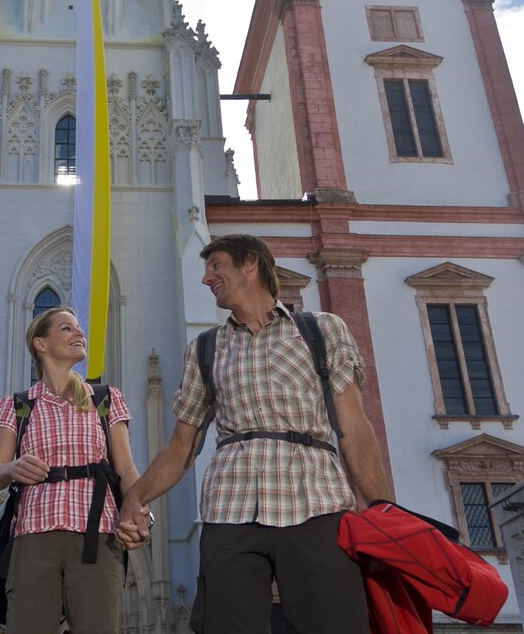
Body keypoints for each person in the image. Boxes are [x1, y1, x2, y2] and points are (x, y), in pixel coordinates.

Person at [115, 234, 394, 633]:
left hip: (317, 502)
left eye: (216, 265)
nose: (206, 278)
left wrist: (384, 510)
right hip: (231, 507)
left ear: (251, 264)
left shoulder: (321, 330)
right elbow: (181, 446)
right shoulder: (205, 348)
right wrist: (135, 497)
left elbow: (353, 428)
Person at [0, 306, 141, 634]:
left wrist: (140, 512)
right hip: (33, 536)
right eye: (67, 328)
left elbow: (126, 468)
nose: (79, 333)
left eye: (78, 328)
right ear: (41, 343)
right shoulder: (17, 405)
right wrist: (13, 467)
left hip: (98, 536)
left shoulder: (105, 399)